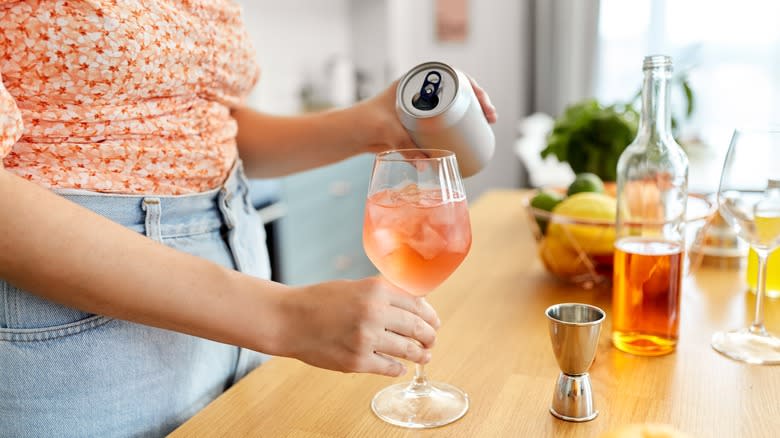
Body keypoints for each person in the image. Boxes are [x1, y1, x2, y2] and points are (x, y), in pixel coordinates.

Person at [0, 1, 498, 436]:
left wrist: (371, 123)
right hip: (79, 325)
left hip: (235, 289)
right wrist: (283, 317)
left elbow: (205, 130)